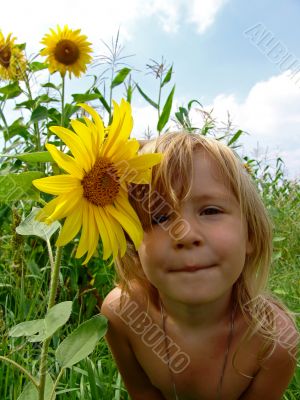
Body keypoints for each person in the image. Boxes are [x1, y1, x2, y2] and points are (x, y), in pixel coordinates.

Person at [101, 131, 298, 400]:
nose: (185, 234)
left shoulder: (275, 342)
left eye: (211, 211)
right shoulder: (123, 315)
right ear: (132, 243)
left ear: (250, 233)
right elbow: (143, 393)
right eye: (159, 217)